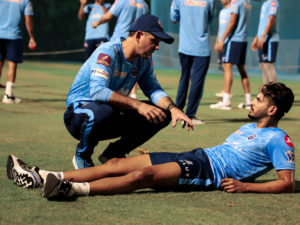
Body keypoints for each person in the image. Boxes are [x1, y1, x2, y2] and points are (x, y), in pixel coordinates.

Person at [7, 82, 295, 198]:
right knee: (117, 162)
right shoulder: (247, 128)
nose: (252, 103)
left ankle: (73, 189)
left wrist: (245, 186)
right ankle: (39, 176)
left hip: (206, 173)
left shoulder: (280, 140)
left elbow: (287, 183)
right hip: (198, 155)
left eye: (258, 100)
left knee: (142, 175)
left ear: (272, 110)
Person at [62, 14, 193, 170]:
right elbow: (97, 91)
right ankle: (82, 155)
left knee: (161, 114)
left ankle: (113, 154)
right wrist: (138, 105)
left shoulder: (144, 60)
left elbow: (153, 89)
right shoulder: (108, 52)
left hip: (110, 114)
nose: (157, 47)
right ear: (138, 36)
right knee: (105, 111)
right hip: (79, 114)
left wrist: (173, 109)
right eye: (154, 41)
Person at [92, 0, 149, 101]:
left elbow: (108, 16)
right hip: (138, 42)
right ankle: (133, 95)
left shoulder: (122, 1)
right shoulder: (144, 5)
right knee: (134, 69)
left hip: (121, 41)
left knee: (111, 69)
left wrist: (97, 22)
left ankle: (110, 96)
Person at [170, 0, 215, 125]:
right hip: (202, 47)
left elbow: (173, 18)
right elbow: (209, 18)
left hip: (184, 46)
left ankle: (177, 111)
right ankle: (190, 115)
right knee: (197, 81)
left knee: (184, 77)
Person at [211, 0, 251, 110]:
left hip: (233, 40)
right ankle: (248, 102)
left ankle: (226, 101)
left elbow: (232, 21)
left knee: (227, 67)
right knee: (239, 68)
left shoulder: (235, 3)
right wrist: (218, 40)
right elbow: (222, 27)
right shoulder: (246, 3)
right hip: (240, 39)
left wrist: (222, 40)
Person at [0, 0, 37, 104]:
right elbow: (28, 20)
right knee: (12, 66)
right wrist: (32, 37)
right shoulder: (26, 1)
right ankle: (8, 95)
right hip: (14, 37)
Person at [251, 0, 279, 84]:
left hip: (270, 39)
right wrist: (256, 38)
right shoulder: (265, 4)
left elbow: (271, 19)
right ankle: (266, 91)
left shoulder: (273, 2)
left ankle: (275, 93)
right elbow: (262, 24)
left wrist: (263, 36)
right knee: (262, 65)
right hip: (261, 40)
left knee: (268, 65)